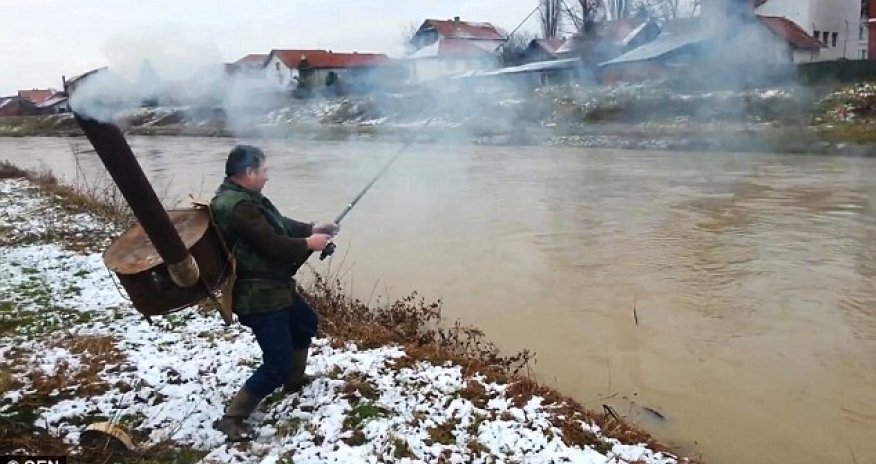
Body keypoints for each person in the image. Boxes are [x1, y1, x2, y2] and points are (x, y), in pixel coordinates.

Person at [209, 144, 338, 442]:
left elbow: (277, 225)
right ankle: (233, 418)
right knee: (276, 363)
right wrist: (310, 243)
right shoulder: (237, 207)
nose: (268, 176)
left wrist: (312, 228)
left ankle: (294, 379)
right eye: (264, 170)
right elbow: (272, 243)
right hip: (258, 295)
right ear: (249, 172)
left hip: (273, 287)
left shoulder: (246, 200)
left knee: (304, 323)